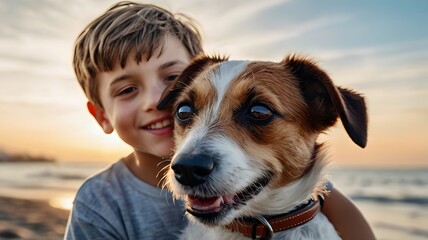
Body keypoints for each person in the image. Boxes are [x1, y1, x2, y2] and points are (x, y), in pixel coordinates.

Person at [65, 1, 375, 239]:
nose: (155, 102)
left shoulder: (312, 193)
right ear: (101, 115)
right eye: (186, 111)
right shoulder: (101, 200)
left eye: (258, 113)